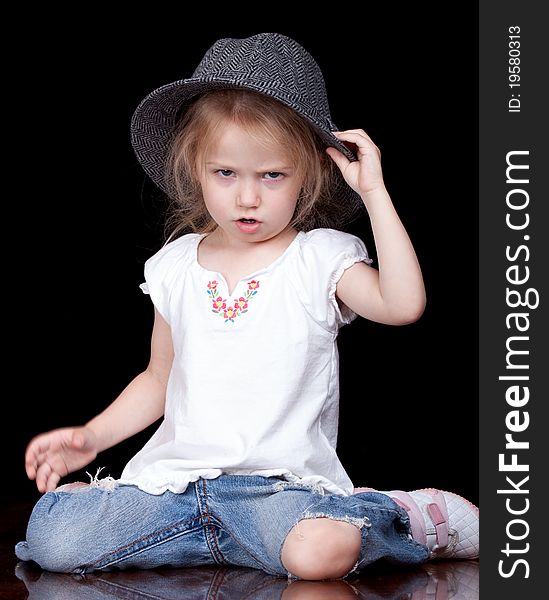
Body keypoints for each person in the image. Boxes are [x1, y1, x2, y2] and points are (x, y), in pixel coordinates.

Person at [15, 33, 479, 581]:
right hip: (175, 488)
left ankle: (400, 516)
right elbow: (159, 376)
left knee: (316, 554)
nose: (248, 197)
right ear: (196, 168)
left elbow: (402, 305)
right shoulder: (176, 265)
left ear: (310, 171)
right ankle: (212, 540)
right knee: (54, 536)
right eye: (226, 173)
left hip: (276, 493)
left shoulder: (317, 259)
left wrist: (374, 193)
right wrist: (91, 438)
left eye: (272, 175)